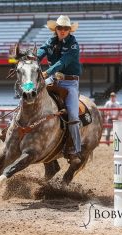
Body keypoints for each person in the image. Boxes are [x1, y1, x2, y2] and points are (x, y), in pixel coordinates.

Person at [37, 15, 82, 159]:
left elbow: (63, 62)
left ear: (70, 30)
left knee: (74, 116)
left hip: (69, 83)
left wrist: (47, 72)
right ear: (55, 29)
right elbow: (40, 52)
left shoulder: (74, 45)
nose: (62, 30)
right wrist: (31, 60)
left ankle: (76, 149)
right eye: (60, 28)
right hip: (52, 79)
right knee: (29, 90)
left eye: (66, 28)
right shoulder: (50, 42)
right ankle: (10, 128)